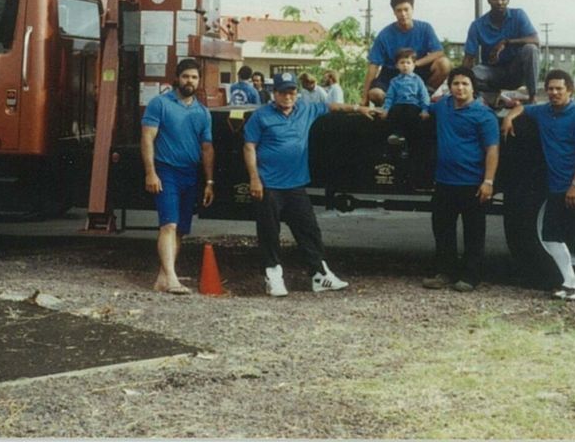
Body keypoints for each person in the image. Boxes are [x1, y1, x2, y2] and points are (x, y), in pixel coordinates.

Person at [243, 71, 373, 296]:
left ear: (297, 92)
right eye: (283, 92)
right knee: (269, 232)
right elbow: (249, 146)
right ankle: (273, 276)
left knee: (309, 229)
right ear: (274, 93)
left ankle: (319, 275)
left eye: (292, 91)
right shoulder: (261, 116)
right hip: (269, 184)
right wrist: (254, 178)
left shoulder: (306, 109)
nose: (288, 96)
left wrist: (358, 108)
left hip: (295, 184)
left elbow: (332, 107)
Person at [501, 68, 575, 300]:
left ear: (570, 90)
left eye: (559, 89)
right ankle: (569, 281)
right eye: (550, 89)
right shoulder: (544, 111)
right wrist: (508, 117)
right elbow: (522, 107)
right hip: (557, 186)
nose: (554, 93)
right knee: (550, 236)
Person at [140, 58, 215, 295]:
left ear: (198, 81)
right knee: (168, 225)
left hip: (190, 173)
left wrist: (210, 182)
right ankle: (172, 278)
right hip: (166, 171)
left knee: (181, 229)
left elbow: (207, 149)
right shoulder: (159, 104)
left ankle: (163, 278)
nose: (189, 81)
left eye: (194, 77)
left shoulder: (203, 112)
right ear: (177, 78)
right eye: (185, 76)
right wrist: (151, 172)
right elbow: (147, 138)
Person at [421, 66, 499, 292]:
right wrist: (425, 110)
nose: (460, 88)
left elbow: (492, 150)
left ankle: (471, 276)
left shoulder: (484, 115)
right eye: (456, 83)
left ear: (473, 87)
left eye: (465, 84)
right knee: (443, 230)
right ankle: (445, 273)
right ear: (450, 86)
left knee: (473, 233)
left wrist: (488, 181)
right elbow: (427, 105)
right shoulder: (443, 106)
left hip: (473, 184)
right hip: (445, 181)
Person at [362, 0, 450, 107]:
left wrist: (416, 63)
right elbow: (373, 66)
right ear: (394, 12)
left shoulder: (425, 28)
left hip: (417, 70)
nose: (403, 14)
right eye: (399, 10)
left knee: (444, 64)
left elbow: (438, 52)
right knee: (375, 94)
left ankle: (423, 97)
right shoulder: (384, 34)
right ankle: (394, 107)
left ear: (412, 9)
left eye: (406, 9)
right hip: (392, 72)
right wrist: (364, 98)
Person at [462, 0, 541, 101]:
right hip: (492, 72)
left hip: (516, 71)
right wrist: (461, 80)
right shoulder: (477, 25)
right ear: (488, 0)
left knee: (530, 49)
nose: (499, 2)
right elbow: (469, 58)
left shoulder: (518, 15)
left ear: (508, 0)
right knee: (473, 74)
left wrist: (506, 42)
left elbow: (535, 40)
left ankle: (532, 97)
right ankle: (494, 95)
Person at [380, 47, 430, 146]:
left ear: (414, 65)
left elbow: (424, 95)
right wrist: (386, 109)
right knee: (394, 112)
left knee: (412, 114)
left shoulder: (417, 80)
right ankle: (397, 135)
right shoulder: (394, 81)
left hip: (413, 105)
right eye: (402, 63)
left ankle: (410, 140)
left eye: (408, 62)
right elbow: (390, 96)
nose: (405, 65)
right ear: (397, 65)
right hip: (399, 104)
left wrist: (425, 109)